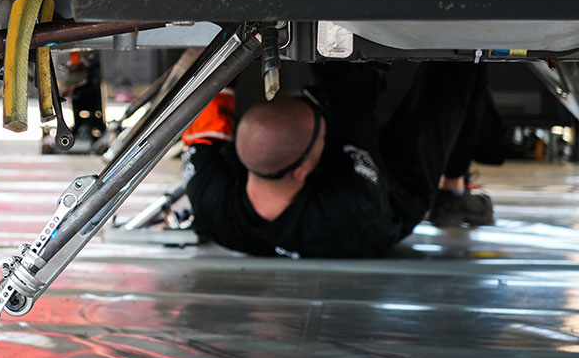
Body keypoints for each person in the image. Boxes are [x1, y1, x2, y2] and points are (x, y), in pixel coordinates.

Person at [181, 62, 500, 259]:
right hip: (394, 199)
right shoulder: (352, 205)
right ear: (305, 168)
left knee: (337, 73)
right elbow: (354, 108)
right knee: (455, 70)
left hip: (330, 186)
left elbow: (205, 103)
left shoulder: (208, 192)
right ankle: (452, 193)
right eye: (322, 137)